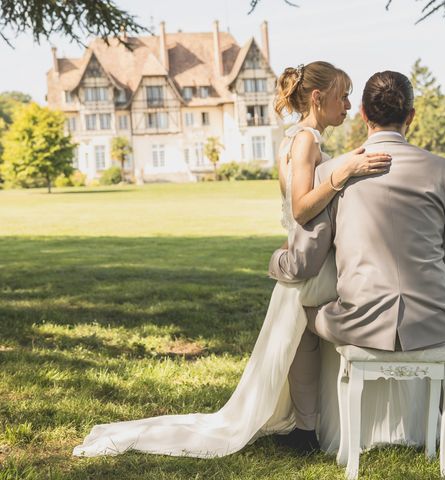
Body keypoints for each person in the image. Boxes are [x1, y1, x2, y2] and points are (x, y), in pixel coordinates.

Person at [72, 61, 391, 459]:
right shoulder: (306, 141)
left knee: (299, 347)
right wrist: (341, 175)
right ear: (317, 97)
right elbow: (301, 208)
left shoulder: (295, 138)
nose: (347, 104)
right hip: (311, 268)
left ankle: (311, 428)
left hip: (303, 263)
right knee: (306, 343)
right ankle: (330, 426)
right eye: (342, 95)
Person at [269, 70, 445, 453]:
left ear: (363, 113)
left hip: (359, 321)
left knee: (304, 320)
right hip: (432, 319)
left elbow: (308, 262)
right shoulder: (441, 170)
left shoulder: (334, 173)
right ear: (410, 116)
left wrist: (278, 261)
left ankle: (306, 431)